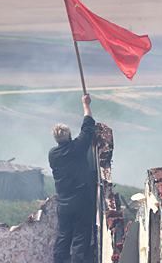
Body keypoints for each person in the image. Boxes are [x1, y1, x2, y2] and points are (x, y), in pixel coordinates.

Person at [49, 93, 95, 263]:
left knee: (63, 237)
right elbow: (88, 126)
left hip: (63, 201)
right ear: (69, 136)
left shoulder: (52, 154)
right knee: (80, 238)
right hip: (80, 198)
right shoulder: (77, 147)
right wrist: (86, 105)